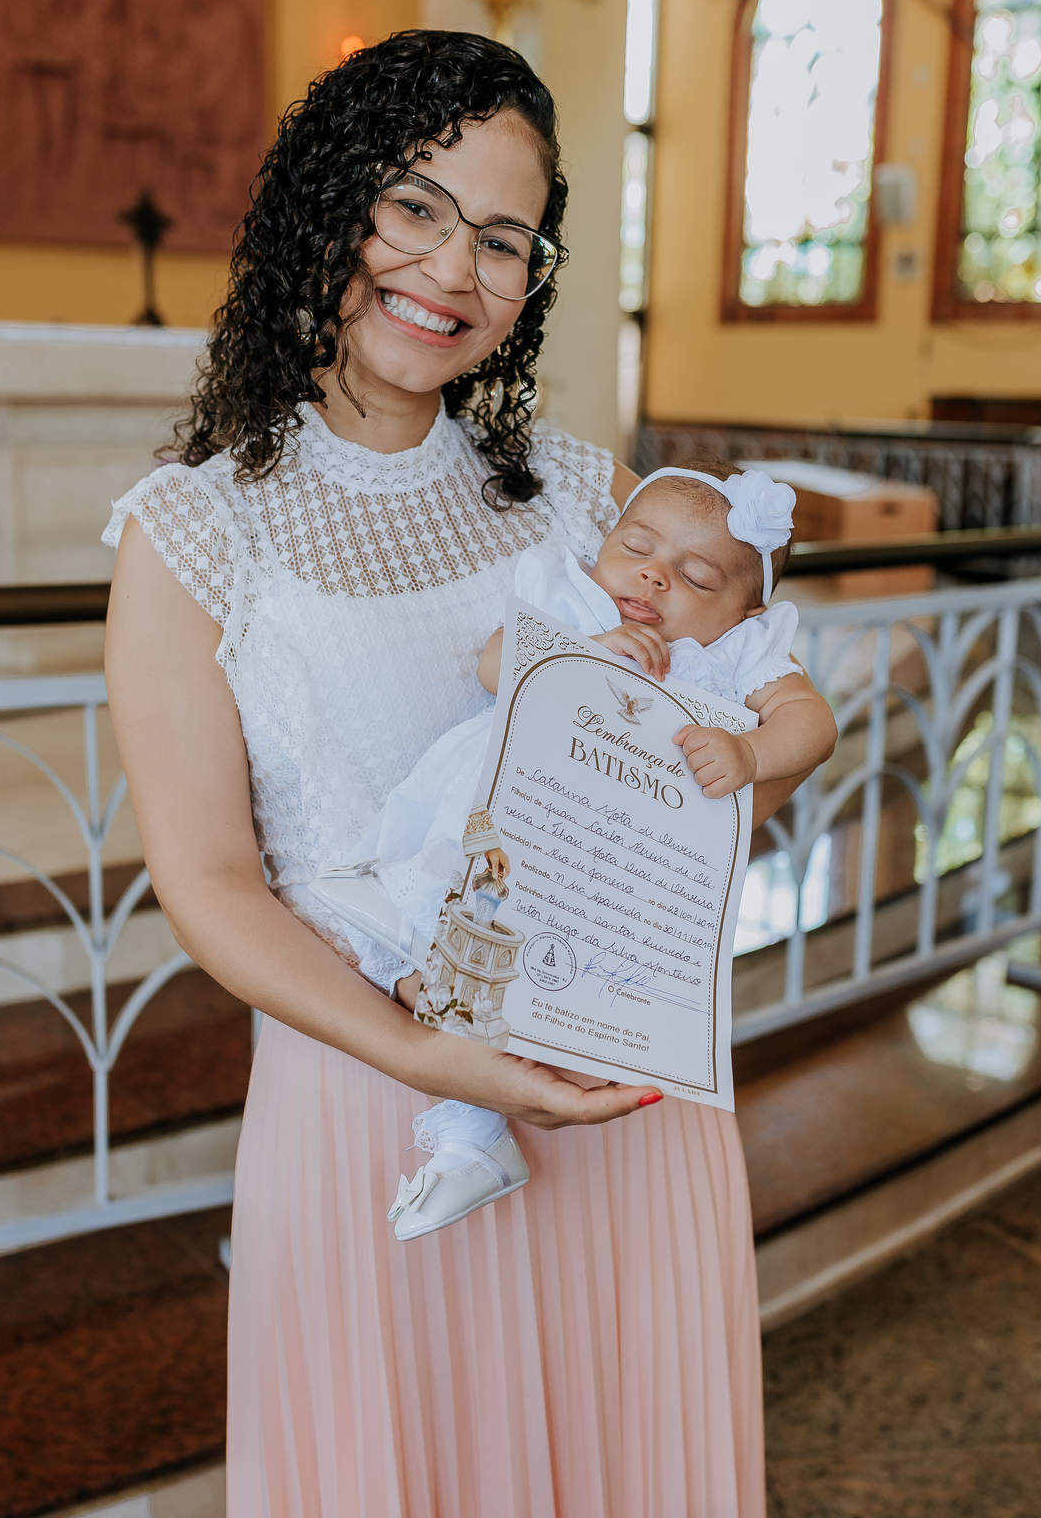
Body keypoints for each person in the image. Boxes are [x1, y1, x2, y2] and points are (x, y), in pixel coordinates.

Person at [104, 30, 808, 1518]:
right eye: (417, 208)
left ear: (535, 273)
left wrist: (723, 758)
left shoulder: (583, 494)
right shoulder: (194, 529)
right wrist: (437, 1048)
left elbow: (706, 723)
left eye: (503, 236)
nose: (453, 268)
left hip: (617, 1098)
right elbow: (210, 883)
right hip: (375, 1101)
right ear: (329, 206)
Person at [315, 462, 838, 1241]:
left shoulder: (742, 653)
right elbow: (494, 665)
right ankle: (472, 1130)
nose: (653, 578)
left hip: (613, 861)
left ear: (742, 613)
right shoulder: (575, 602)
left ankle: (473, 1137)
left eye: (694, 577)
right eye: (637, 547)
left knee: (515, 984)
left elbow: (813, 724)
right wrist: (583, 653)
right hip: (508, 816)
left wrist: (751, 753)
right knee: (431, 958)